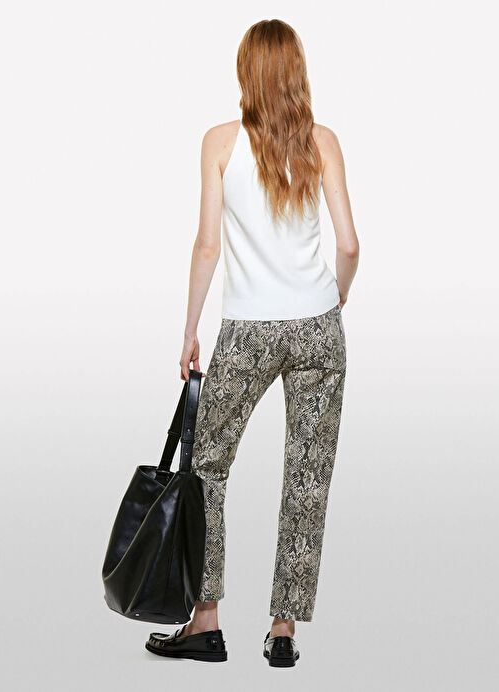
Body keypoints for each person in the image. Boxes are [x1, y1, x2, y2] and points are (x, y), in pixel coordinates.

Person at [145, 18, 359, 667]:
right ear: (297, 71)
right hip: (317, 325)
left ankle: (205, 621)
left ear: (246, 71)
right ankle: (283, 631)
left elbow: (207, 245)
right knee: (307, 478)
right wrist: (332, 300)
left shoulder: (219, 142)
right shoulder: (322, 141)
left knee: (207, 467)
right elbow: (349, 245)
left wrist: (190, 329)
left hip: (247, 329)